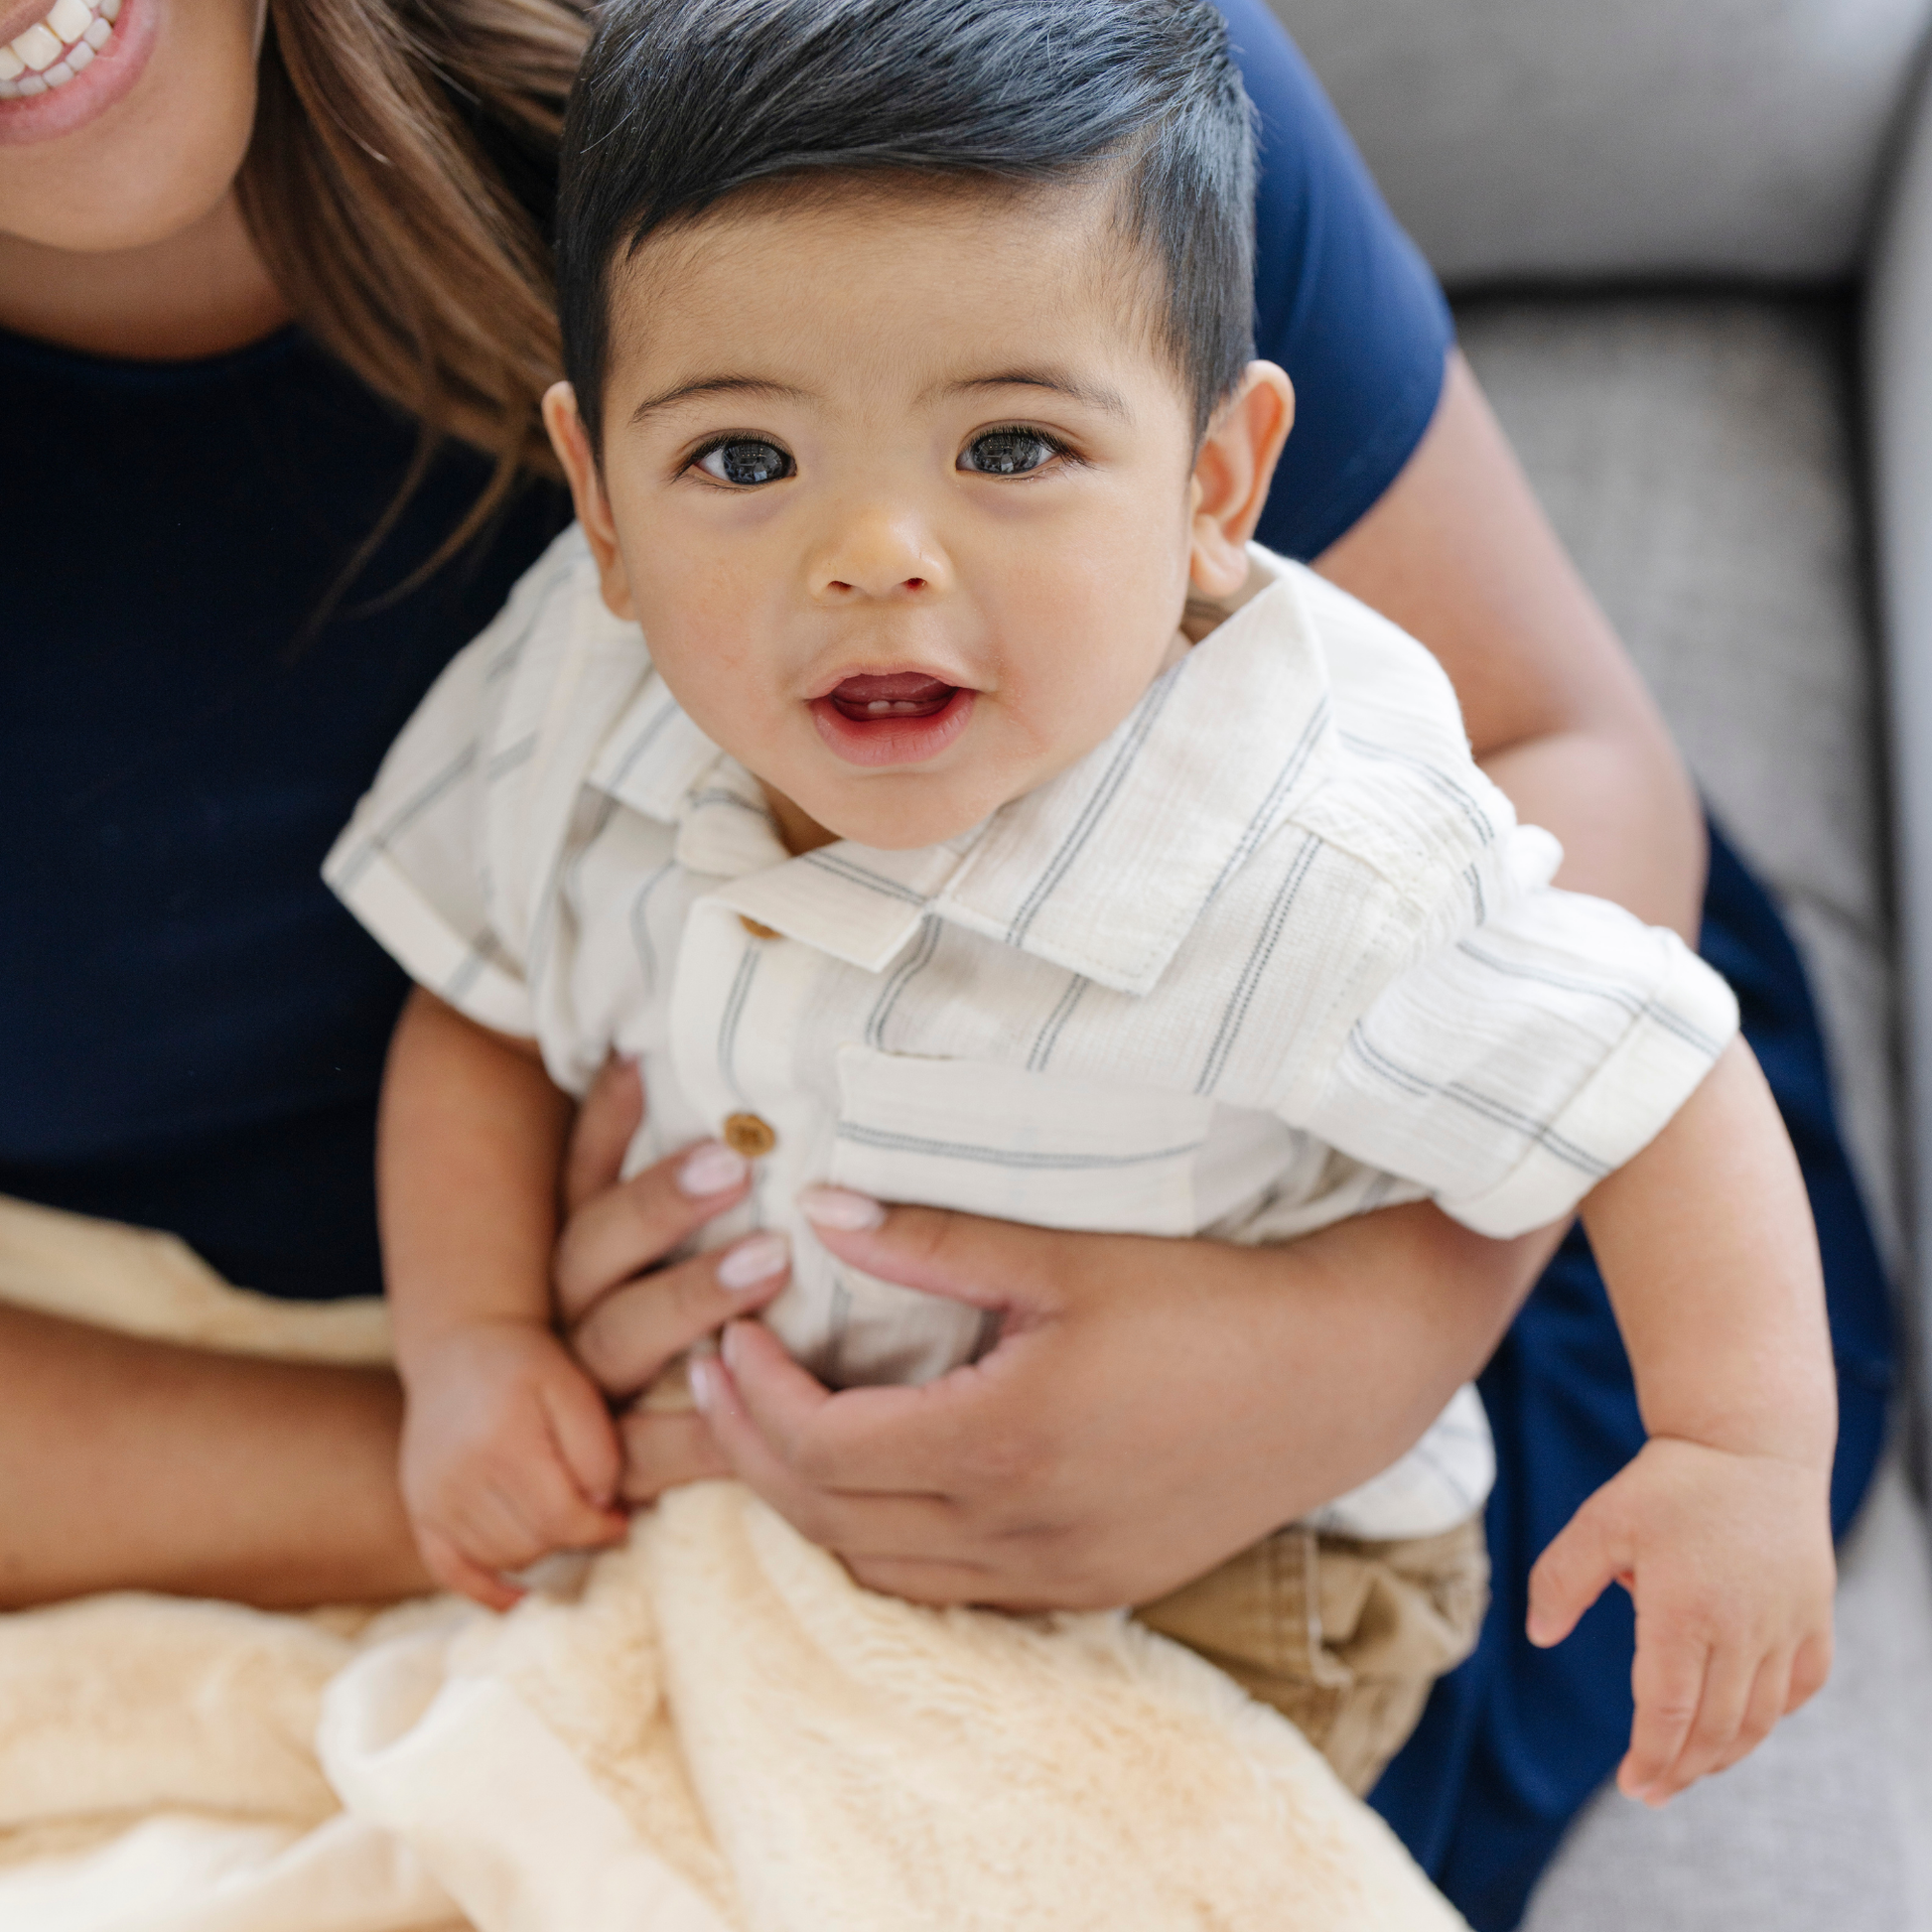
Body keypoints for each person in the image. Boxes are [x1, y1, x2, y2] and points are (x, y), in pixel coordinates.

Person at [0, 0, 1890, 1923]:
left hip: (1246, 1529)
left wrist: (1620, 1414)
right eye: (745, 459)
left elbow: (1648, 1066)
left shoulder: (1290, 833)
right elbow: (474, 999)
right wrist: (485, 1370)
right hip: (597, 1476)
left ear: (1222, 483)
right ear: (603, 500)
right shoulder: (597, 677)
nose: (873, 555)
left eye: (1005, 446)